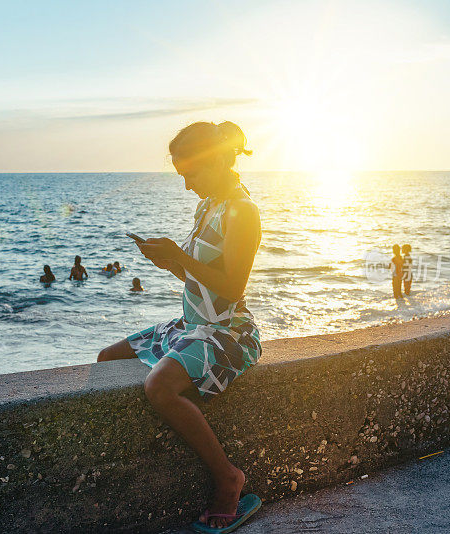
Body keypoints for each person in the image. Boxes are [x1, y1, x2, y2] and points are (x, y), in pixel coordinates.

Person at [96, 121, 262, 531]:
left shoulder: (244, 211)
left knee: (158, 385)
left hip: (227, 332)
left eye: (191, 174)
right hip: (192, 325)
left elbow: (232, 287)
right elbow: (201, 281)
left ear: (220, 160)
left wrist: (181, 258)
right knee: (106, 358)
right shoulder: (208, 206)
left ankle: (228, 478)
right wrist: (169, 262)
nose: (187, 185)